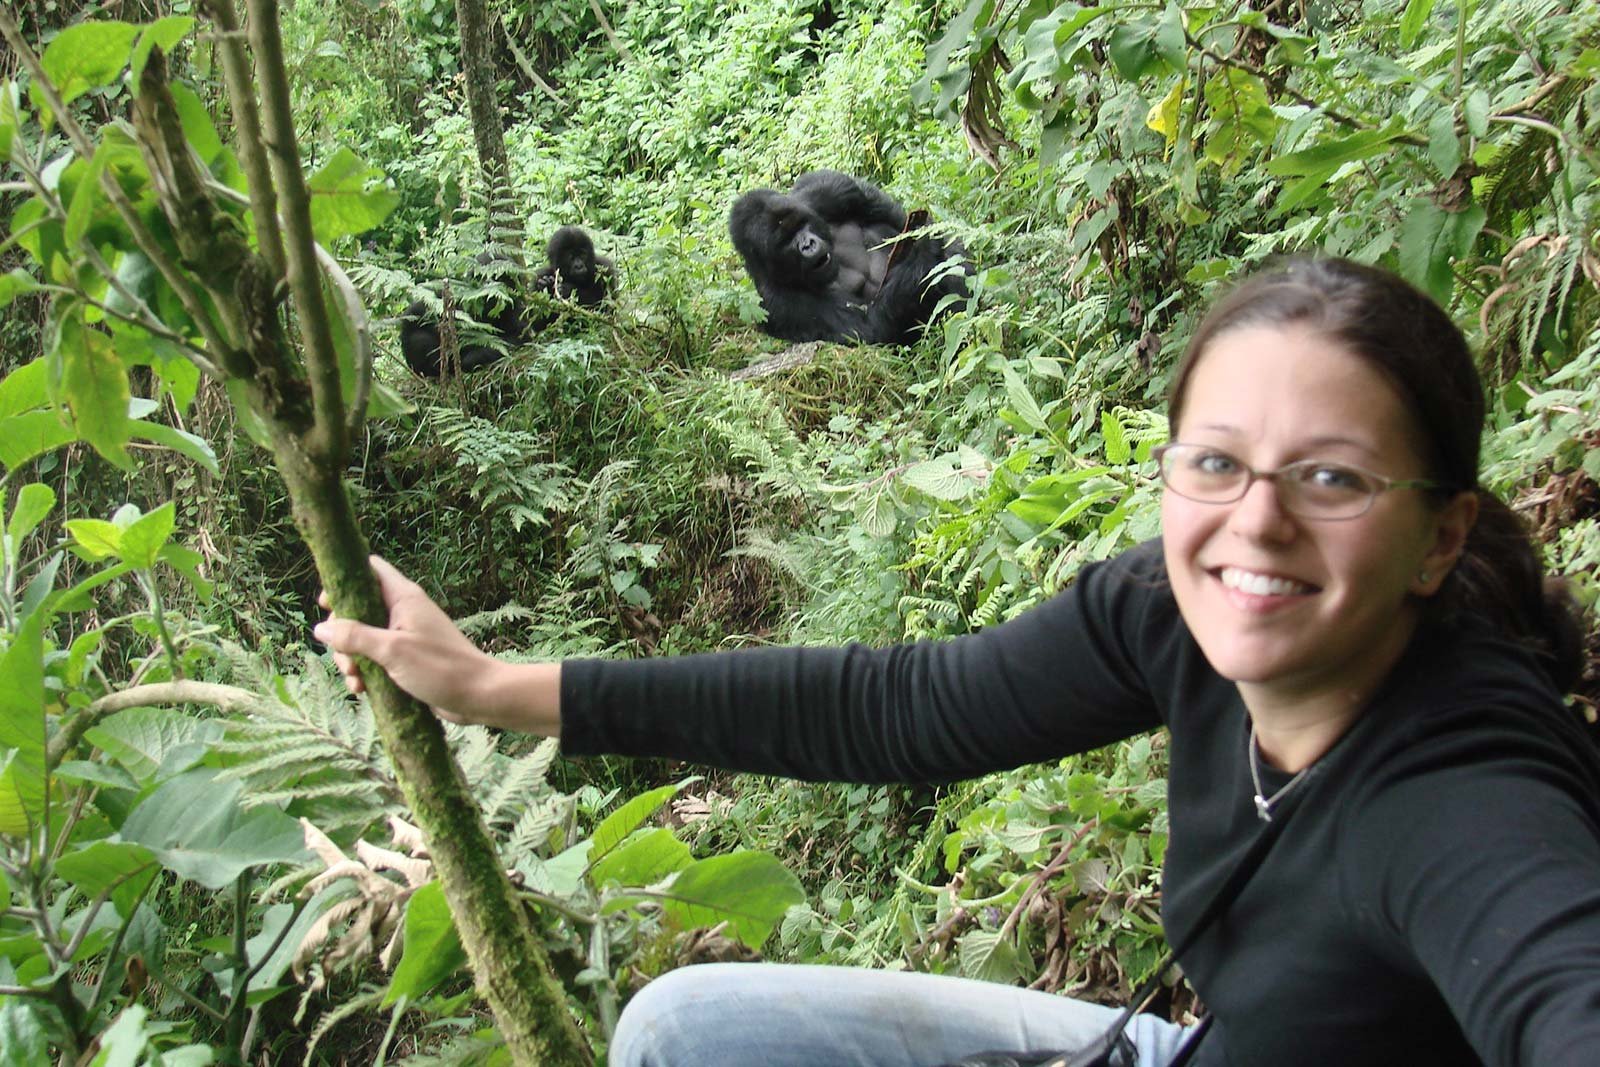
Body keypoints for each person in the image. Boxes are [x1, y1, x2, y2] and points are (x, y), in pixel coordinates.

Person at [315, 258, 1600, 1067]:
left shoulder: (1462, 793)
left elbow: (1559, 978)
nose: (1255, 523)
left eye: (1331, 478)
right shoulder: (1173, 613)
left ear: (1439, 537)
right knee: (684, 1029)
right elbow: (897, 705)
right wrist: (494, 686)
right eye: (1216, 462)